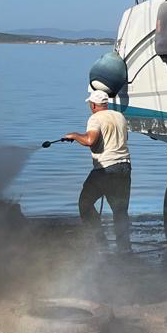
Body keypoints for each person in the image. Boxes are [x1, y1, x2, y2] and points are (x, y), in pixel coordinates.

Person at [64, 88, 132, 253]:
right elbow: (123, 139)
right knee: (120, 210)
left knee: (85, 203)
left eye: (90, 104)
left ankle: (100, 243)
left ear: (94, 105)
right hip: (124, 167)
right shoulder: (120, 116)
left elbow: (90, 140)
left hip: (105, 169)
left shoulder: (95, 118)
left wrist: (75, 136)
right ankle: (124, 249)